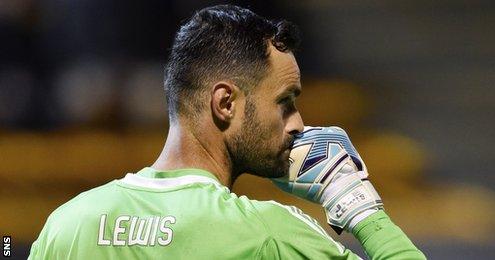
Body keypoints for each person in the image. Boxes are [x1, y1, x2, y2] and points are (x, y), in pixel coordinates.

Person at [28, 5, 426, 259]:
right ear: (225, 104)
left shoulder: (66, 225)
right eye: (285, 101)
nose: (298, 123)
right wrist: (355, 203)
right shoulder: (268, 235)